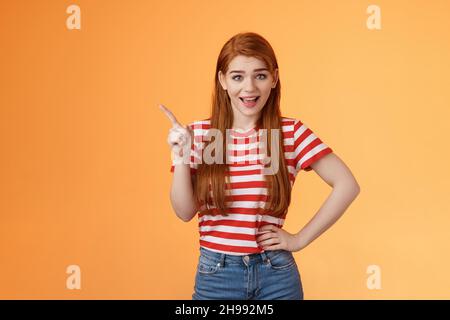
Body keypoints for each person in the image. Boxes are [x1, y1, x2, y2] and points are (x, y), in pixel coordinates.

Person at [159, 32, 360, 300]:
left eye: (260, 76)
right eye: (238, 76)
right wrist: (181, 156)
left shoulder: (290, 133)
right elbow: (184, 212)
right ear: (222, 80)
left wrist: (298, 240)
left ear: (274, 79)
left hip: (276, 274)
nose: (250, 88)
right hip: (217, 275)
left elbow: (347, 185)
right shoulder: (200, 135)